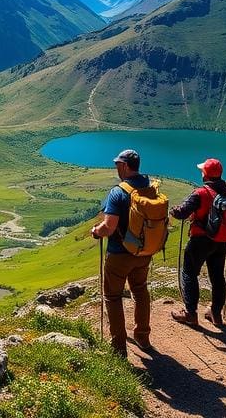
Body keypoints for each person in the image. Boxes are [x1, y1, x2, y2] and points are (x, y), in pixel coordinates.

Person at [90, 148, 153, 356]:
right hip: (144, 252)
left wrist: (96, 232)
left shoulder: (119, 192)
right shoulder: (150, 186)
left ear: (125, 166)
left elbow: (108, 227)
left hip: (120, 253)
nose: (116, 168)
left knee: (113, 297)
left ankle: (118, 347)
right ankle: (142, 337)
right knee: (140, 290)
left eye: (118, 165)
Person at [169, 158, 226, 327]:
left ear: (205, 174)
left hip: (200, 240)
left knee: (189, 273)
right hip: (221, 240)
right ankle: (216, 313)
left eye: (202, 171)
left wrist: (173, 210)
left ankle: (190, 313)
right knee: (217, 275)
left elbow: (182, 213)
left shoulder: (200, 193)